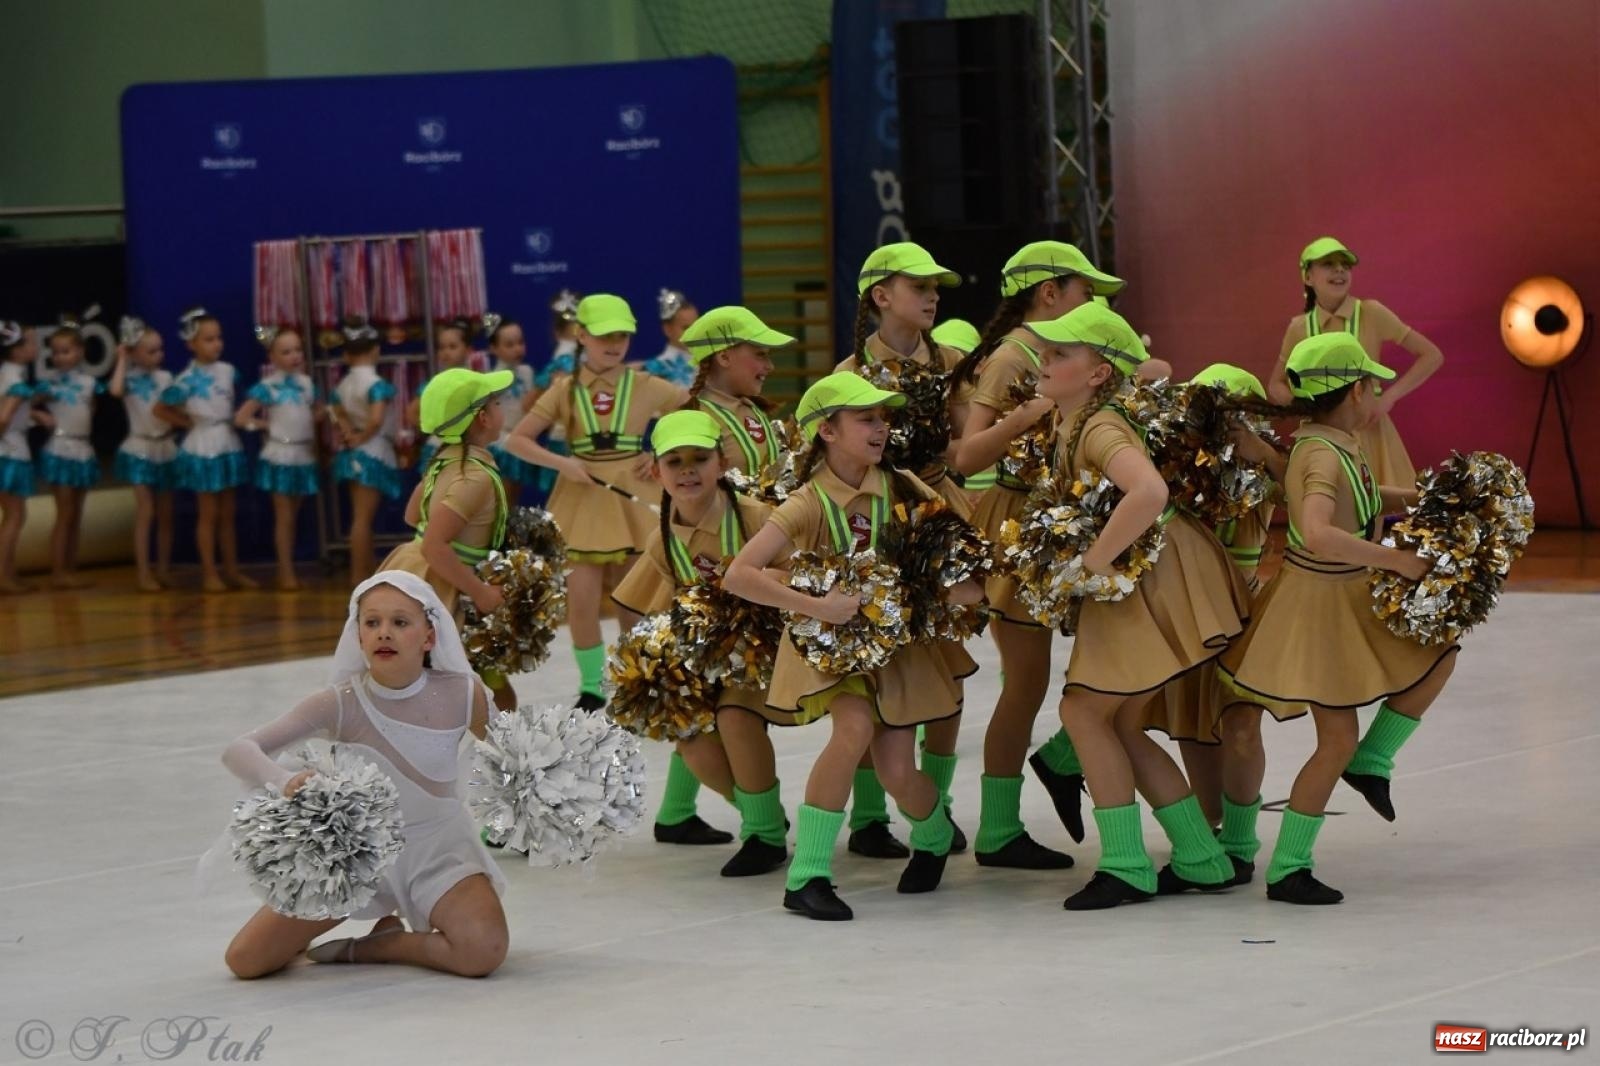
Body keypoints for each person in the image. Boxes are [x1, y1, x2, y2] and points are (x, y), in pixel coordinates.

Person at [1220, 333, 1456, 905]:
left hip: (1344, 596)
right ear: (1353, 392)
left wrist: (1429, 497)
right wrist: (1398, 560)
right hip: (1321, 607)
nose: (1374, 392)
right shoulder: (1325, 452)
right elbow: (1321, 532)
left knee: (1439, 654)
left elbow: (1364, 497)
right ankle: (1289, 867)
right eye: (1370, 383)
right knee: (1336, 739)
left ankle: (1372, 761)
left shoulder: (1330, 442)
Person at [219, 571, 507, 978]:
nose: (384, 633)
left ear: (429, 637)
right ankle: (351, 928)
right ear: (358, 635)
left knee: (484, 950)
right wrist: (286, 782)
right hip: (358, 858)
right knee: (245, 961)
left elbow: (512, 752)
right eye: (372, 623)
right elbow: (239, 750)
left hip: (441, 851)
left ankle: (385, 945)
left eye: (400, 623)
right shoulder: (341, 702)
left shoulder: (462, 692)